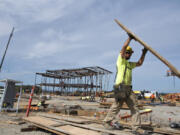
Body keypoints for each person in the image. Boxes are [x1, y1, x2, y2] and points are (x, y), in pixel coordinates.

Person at [103, 34, 148, 132]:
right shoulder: (120, 60)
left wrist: (144, 53)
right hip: (120, 87)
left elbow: (139, 63)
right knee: (116, 107)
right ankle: (106, 122)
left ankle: (136, 128)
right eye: (127, 53)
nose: (129, 54)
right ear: (124, 53)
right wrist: (130, 38)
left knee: (134, 108)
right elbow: (123, 47)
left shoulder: (129, 64)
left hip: (128, 88)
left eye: (130, 53)